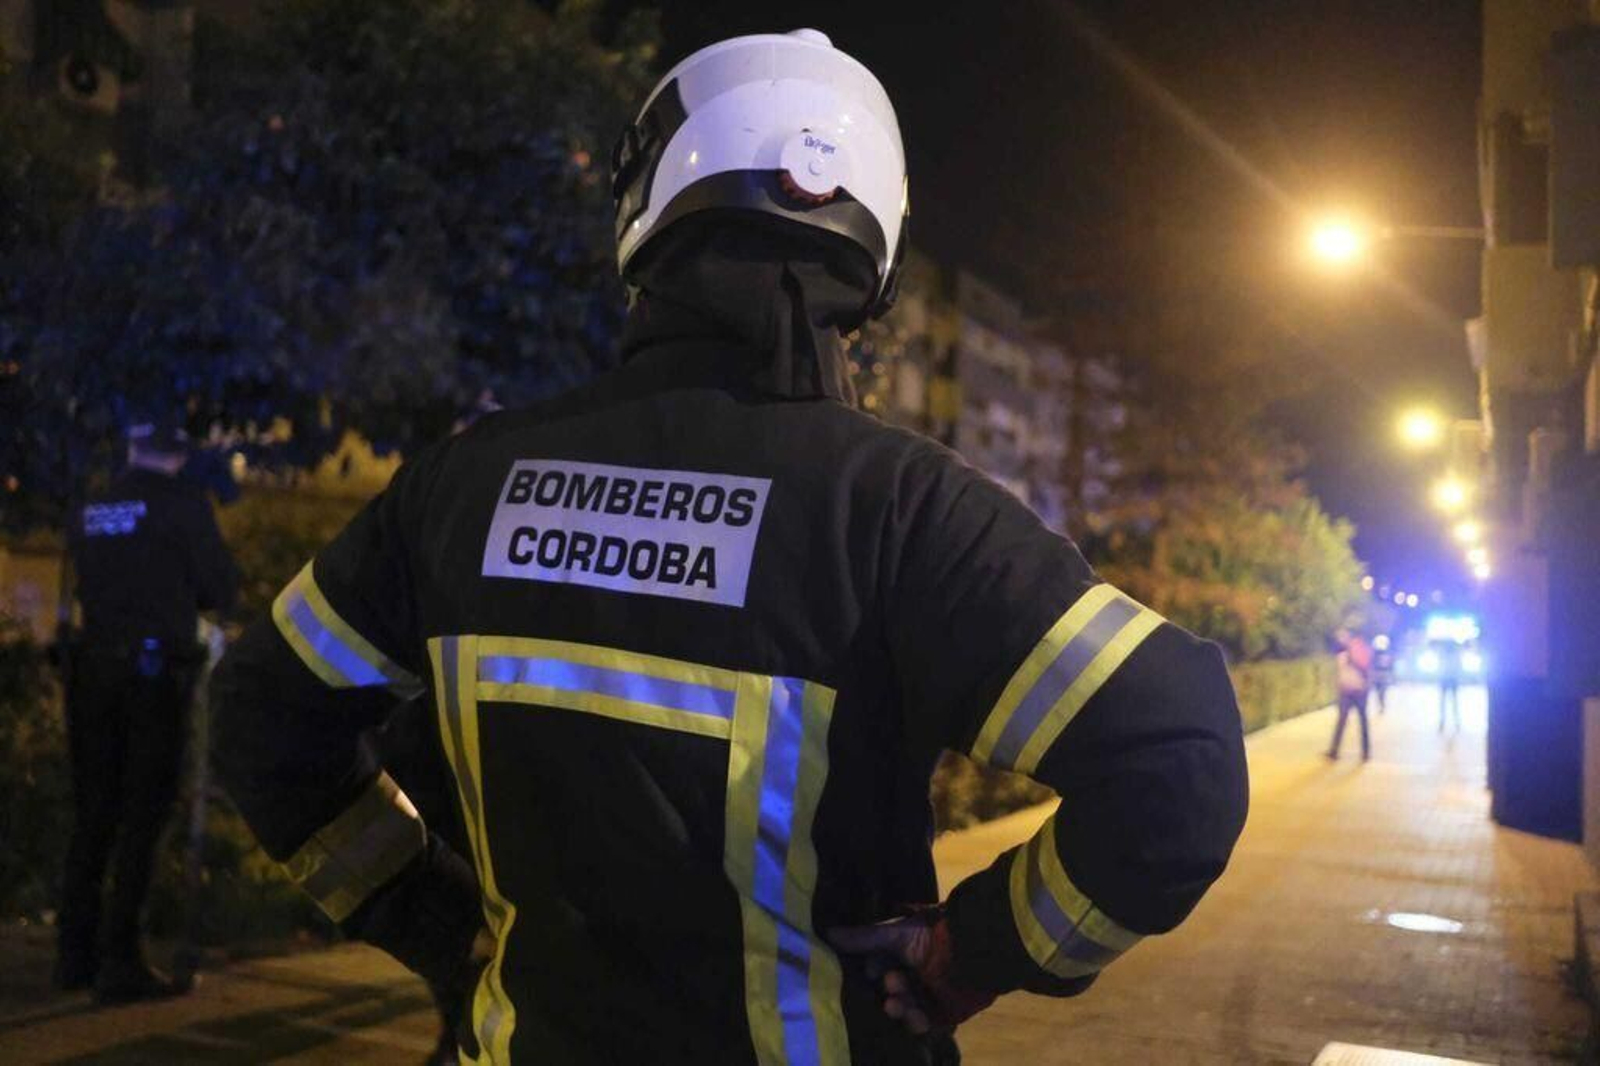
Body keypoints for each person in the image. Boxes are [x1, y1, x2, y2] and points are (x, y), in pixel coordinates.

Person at [211, 29, 1249, 1064]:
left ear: (647, 212)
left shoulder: (463, 485)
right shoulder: (901, 511)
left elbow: (264, 713)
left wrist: (438, 926)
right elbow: (1180, 764)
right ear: (872, 246)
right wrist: (978, 949)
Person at [57, 421, 239, 1001]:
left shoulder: (95, 502)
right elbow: (220, 588)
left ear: (131, 444)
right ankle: (120, 960)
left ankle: (74, 956)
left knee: (93, 815)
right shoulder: (183, 506)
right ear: (181, 452)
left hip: (90, 673)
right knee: (143, 814)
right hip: (151, 679)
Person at [1327, 628, 1374, 762]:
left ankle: (1334, 751)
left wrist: (1339, 686)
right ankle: (1366, 753)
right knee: (1362, 721)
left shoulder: (1344, 652)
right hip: (1361, 690)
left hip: (1348, 690)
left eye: (1341, 635)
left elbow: (1342, 673)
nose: (1339, 638)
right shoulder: (1361, 648)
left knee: (1342, 721)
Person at [1435, 641, 1463, 735]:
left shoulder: (1443, 655)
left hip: (1446, 679)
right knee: (1453, 702)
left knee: (1445, 702)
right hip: (1451, 679)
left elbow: (1440, 668)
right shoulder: (1455, 655)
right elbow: (1459, 667)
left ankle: (1444, 722)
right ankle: (1454, 722)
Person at [1371, 633, 1394, 714]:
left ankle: (1382, 705)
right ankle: (1381, 705)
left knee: (1382, 692)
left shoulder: (1387, 655)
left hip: (1383, 675)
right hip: (1379, 675)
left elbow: (1390, 666)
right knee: (1379, 692)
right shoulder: (1375, 655)